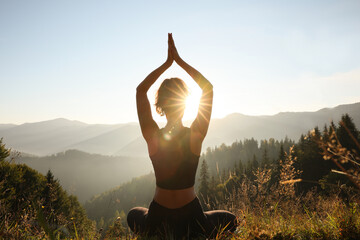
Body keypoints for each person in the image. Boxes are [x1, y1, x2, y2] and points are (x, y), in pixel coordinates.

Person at [127, 33, 238, 239]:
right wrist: (179, 61)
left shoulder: (152, 136)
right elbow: (208, 88)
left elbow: (141, 90)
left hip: (158, 216)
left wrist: (167, 63)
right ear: (185, 103)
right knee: (230, 219)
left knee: (134, 214)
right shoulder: (195, 135)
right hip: (192, 217)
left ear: (160, 106)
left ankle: (159, 233)